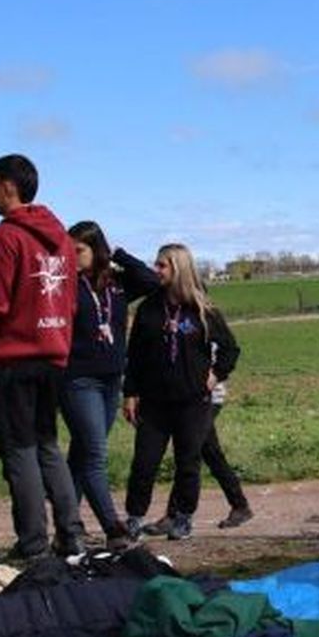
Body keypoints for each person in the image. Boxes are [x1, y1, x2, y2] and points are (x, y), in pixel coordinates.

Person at [0, 153, 84, 561]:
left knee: (19, 451)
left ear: (8, 186)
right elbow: (70, 302)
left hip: (14, 359)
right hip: (54, 356)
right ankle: (72, 535)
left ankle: (33, 542)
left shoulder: (5, 238)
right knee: (48, 445)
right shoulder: (62, 239)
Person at [121, 243, 240, 541]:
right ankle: (134, 518)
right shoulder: (149, 308)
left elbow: (230, 348)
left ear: (179, 269)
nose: (156, 270)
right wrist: (130, 393)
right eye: (156, 264)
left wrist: (216, 374)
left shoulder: (202, 309)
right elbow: (134, 355)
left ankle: (183, 517)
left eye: (162, 265)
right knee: (144, 463)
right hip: (154, 402)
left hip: (193, 402)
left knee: (188, 463)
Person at [59, 222, 157, 551]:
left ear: (96, 250)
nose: (73, 257)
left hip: (111, 378)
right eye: (69, 251)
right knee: (95, 455)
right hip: (78, 379)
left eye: (79, 250)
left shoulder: (116, 283)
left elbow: (151, 281)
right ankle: (113, 528)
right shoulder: (66, 285)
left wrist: (118, 254)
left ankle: (66, 530)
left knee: (81, 454)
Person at [142, 339, 254, 533]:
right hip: (189, 398)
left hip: (206, 398)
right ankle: (239, 505)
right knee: (209, 452)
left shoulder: (202, 327)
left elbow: (221, 355)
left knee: (190, 452)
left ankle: (174, 515)